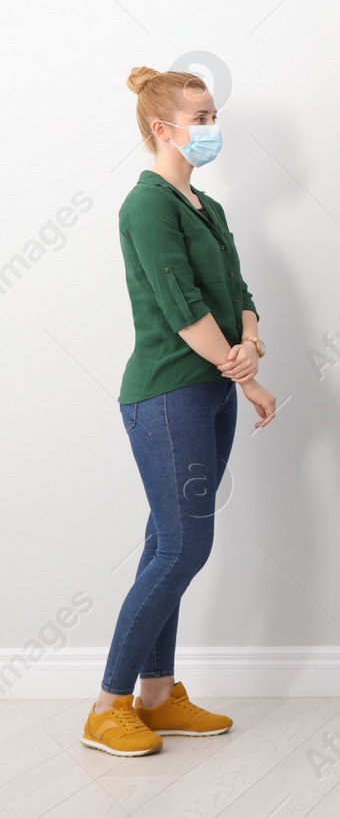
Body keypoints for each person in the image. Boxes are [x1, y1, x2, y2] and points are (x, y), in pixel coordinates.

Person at [84, 68, 279, 757]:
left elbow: (237, 291)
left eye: (212, 113)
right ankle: (108, 704)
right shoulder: (146, 205)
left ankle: (158, 694)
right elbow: (181, 306)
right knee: (183, 547)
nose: (210, 126)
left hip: (211, 391)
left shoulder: (207, 207)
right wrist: (238, 363)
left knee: (163, 543)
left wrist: (249, 354)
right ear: (160, 128)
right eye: (198, 116)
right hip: (166, 392)